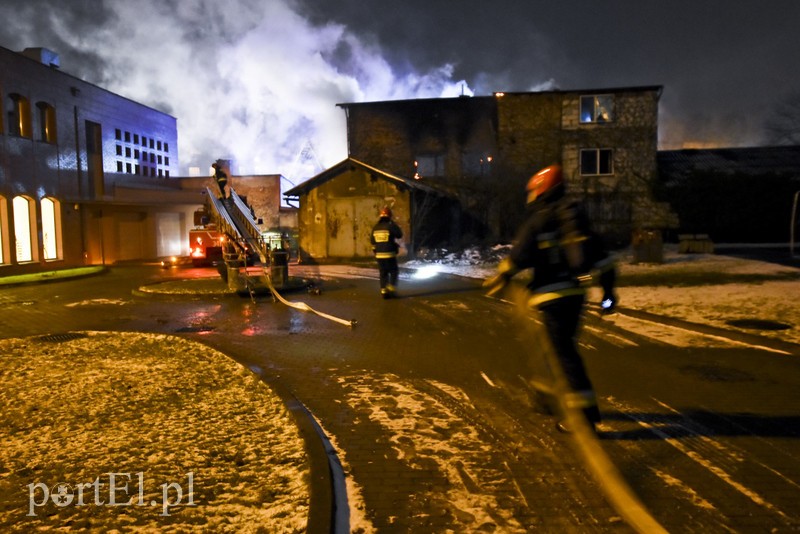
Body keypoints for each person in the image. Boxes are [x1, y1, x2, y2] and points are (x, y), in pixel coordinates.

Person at [483, 164, 617, 433]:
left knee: (564, 355)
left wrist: (502, 277)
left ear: (541, 190)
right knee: (560, 349)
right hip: (575, 297)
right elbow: (602, 260)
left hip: (552, 298)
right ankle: (547, 398)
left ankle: (584, 418)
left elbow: (518, 256)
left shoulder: (540, 220)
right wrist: (608, 294)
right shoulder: (576, 220)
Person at [371, 206, 403, 299]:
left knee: (383, 272)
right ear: (389, 216)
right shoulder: (390, 226)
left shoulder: (375, 227)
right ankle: (391, 288)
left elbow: (372, 242)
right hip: (390, 254)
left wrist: (376, 252)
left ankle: (384, 291)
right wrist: (393, 223)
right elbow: (399, 235)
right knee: (393, 271)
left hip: (379, 255)